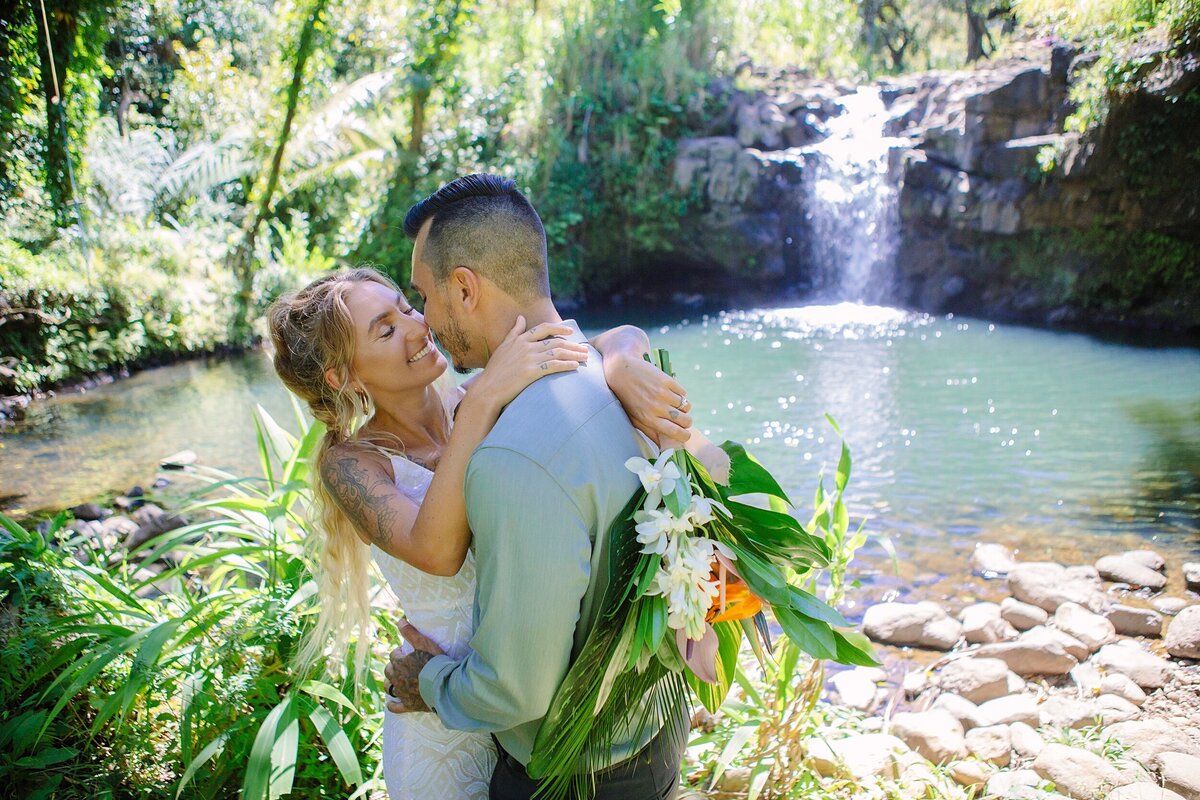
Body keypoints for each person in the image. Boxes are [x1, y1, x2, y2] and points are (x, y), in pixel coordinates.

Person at [268, 264, 694, 799]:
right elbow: (437, 550)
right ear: (343, 376)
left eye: (405, 306)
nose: (417, 325)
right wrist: (485, 398)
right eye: (386, 329)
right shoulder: (351, 464)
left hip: (524, 694)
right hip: (441, 709)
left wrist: (622, 361)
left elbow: (593, 337)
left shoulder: (478, 396)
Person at [384, 174, 701, 800]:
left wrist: (429, 680)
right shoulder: (607, 376)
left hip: (573, 776)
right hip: (656, 733)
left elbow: (516, 690)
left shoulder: (512, 459)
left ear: (465, 287)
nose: (422, 319)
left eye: (423, 295)